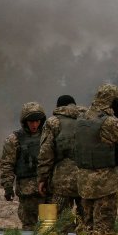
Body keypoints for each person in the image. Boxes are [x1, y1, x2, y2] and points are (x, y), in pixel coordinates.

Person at [75, 84, 118, 233]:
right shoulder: (108, 122)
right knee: (103, 230)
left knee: (85, 228)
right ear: (114, 101)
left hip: (84, 183)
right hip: (104, 184)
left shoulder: (81, 118)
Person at [37, 95, 86, 223]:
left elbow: (45, 153)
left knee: (59, 222)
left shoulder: (53, 122)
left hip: (62, 180)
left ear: (58, 107)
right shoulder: (88, 119)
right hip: (87, 179)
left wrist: (42, 178)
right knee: (86, 221)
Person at [0, 102, 48, 230]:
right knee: (29, 227)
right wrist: (8, 186)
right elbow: (7, 164)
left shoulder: (48, 136)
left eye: (37, 121)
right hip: (27, 192)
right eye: (31, 121)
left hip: (47, 189)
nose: (34, 125)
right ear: (24, 121)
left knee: (49, 227)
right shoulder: (14, 139)